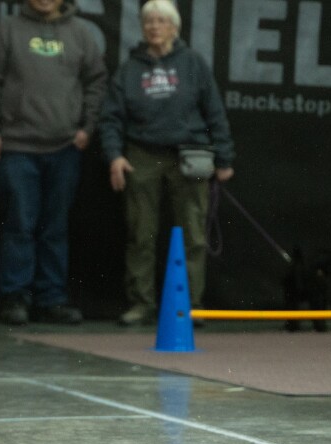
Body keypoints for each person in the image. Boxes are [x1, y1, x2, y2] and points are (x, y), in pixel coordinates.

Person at [98, 0, 235, 326]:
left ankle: (188, 306)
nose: (154, 26)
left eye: (161, 21)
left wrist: (224, 157)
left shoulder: (193, 63)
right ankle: (141, 304)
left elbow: (214, 112)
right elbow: (110, 118)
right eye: (149, 21)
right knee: (140, 234)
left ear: (174, 27)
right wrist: (115, 156)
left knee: (193, 235)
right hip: (141, 155)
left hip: (188, 156)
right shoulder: (129, 69)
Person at [0, 0, 107, 326]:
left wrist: (87, 128)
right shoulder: (7, 31)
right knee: (20, 224)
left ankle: (52, 299)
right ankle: (15, 297)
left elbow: (96, 81)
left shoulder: (80, 34)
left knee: (55, 227)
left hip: (64, 148)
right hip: (18, 146)